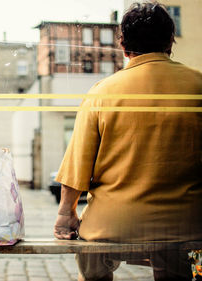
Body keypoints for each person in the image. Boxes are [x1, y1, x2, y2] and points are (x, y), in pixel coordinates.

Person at [53, 2, 202, 281]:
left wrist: (66, 214)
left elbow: (77, 165)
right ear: (171, 41)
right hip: (189, 226)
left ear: (123, 47)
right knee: (183, 268)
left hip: (112, 225)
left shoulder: (102, 92)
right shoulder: (198, 85)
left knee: (92, 263)